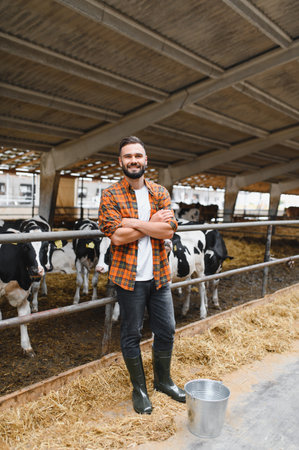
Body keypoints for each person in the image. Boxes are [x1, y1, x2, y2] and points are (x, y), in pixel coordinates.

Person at [98, 136, 185, 414]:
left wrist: (132, 222)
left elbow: (169, 230)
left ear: (146, 160)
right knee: (131, 334)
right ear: (120, 162)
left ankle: (164, 381)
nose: (133, 160)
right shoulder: (110, 195)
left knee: (167, 330)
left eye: (138, 155)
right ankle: (140, 391)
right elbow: (117, 237)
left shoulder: (159, 192)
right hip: (129, 278)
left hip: (159, 276)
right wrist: (150, 224)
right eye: (127, 156)